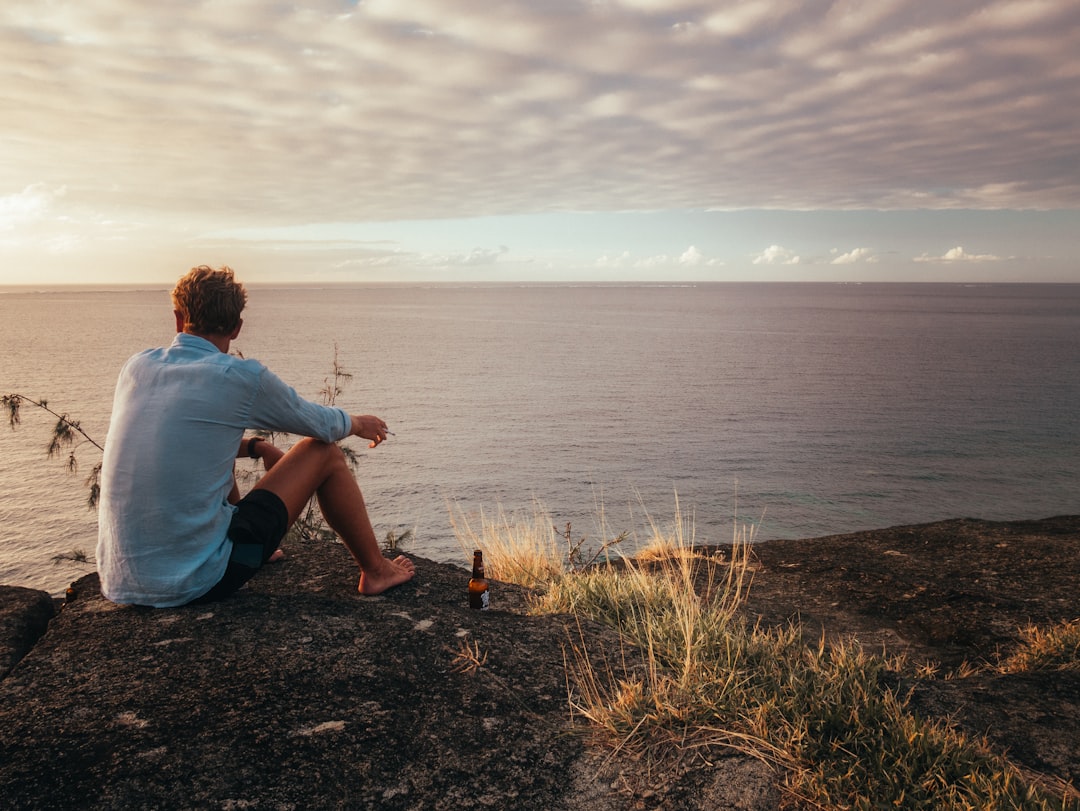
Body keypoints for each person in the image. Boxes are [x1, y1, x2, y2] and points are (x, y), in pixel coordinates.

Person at [96, 265, 415, 607]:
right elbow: (320, 425)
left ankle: (242, 544)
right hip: (203, 582)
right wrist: (357, 423)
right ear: (236, 327)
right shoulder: (238, 377)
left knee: (219, 445)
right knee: (325, 453)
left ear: (178, 319)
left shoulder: (137, 367)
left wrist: (254, 447)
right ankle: (377, 570)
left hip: (120, 581)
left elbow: (190, 441)